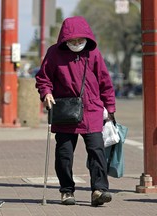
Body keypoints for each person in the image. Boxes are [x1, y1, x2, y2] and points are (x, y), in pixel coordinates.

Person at [35, 16, 116, 207]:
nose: (77, 44)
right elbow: (43, 78)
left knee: (97, 152)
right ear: (65, 39)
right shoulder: (54, 53)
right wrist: (46, 93)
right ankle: (66, 191)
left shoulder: (94, 52)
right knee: (64, 155)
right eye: (73, 41)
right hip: (66, 111)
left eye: (80, 40)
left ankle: (99, 190)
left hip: (92, 110)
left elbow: (105, 81)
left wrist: (110, 108)